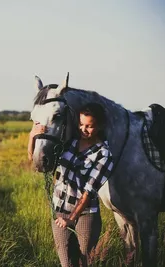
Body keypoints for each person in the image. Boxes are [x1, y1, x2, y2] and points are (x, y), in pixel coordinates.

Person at [28, 103, 114, 267]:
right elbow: (34, 158)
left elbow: (89, 192)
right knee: (66, 264)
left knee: (84, 262)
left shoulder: (104, 154)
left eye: (89, 126)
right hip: (60, 211)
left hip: (85, 214)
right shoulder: (69, 143)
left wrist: (72, 219)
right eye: (81, 124)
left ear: (100, 126)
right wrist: (33, 136)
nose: (83, 129)